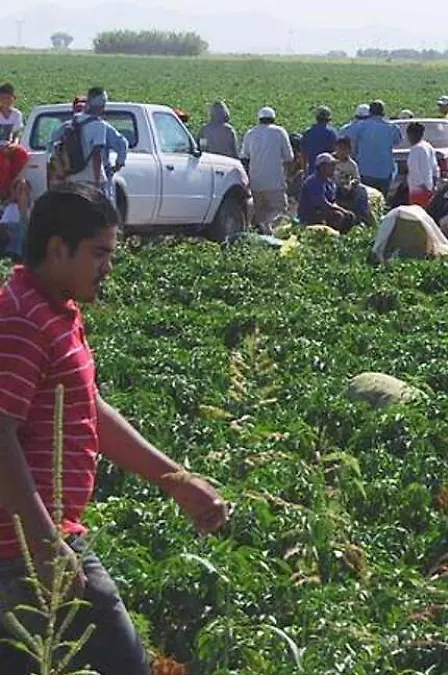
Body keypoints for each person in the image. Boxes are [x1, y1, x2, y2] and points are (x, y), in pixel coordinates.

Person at [0, 183, 228, 675]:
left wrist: (178, 481)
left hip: (46, 543)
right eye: (98, 253)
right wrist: (44, 545)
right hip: (21, 553)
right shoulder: (21, 320)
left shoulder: (57, 312)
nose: (109, 266)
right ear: (58, 249)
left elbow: (91, 411)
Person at [50, 88, 129, 206]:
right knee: (101, 216)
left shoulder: (72, 122)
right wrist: (98, 182)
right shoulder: (99, 125)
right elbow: (97, 154)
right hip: (91, 179)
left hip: (72, 177)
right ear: (102, 104)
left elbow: (52, 144)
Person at [240, 106, 293, 231]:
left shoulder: (250, 133)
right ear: (273, 119)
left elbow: (244, 157)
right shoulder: (279, 132)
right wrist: (288, 177)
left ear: (259, 119)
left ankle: (264, 234)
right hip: (275, 182)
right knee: (278, 211)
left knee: (259, 212)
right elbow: (288, 157)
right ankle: (271, 234)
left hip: (256, 182)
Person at [344, 100, 402, 196]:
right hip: (385, 172)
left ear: (370, 112)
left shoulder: (361, 126)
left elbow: (345, 134)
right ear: (383, 112)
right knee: (382, 199)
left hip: (364, 170)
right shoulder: (391, 127)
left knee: (367, 200)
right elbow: (398, 141)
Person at [298, 153, 355, 231]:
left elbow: (332, 201)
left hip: (322, 211)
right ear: (322, 167)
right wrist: (342, 211)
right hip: (309, 214)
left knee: (349, 215)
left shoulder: (329, 182)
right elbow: (321, 203)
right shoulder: (313, 182)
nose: (334, 167)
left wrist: (344, 210)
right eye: (331, 165)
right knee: (338, 216)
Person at [331, 137, 373, 226]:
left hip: (347, 187)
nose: (342, 152)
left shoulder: (352, 164)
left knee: (362, 190)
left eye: (345, 149)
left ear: (349, 150)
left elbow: (356, 178)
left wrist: (350, 185)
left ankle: (361, 216)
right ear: (335, 148)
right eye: (340, 148)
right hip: (333, 186)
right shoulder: (331, 161)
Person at [405, 122, 438, 208]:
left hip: (417, 189)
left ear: (411, 135)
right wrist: (433, 185)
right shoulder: (429, 147)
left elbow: (414, 170)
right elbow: (435, 168)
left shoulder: (415, 149)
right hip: (429, 188)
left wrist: (422, 185)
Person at [300, 106, 338, 174]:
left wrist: (304, 171)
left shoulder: (307, 132)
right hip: (327, 171)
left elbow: (303, 155)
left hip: (312, 171)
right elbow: (336, 153)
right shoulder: (332, 133)